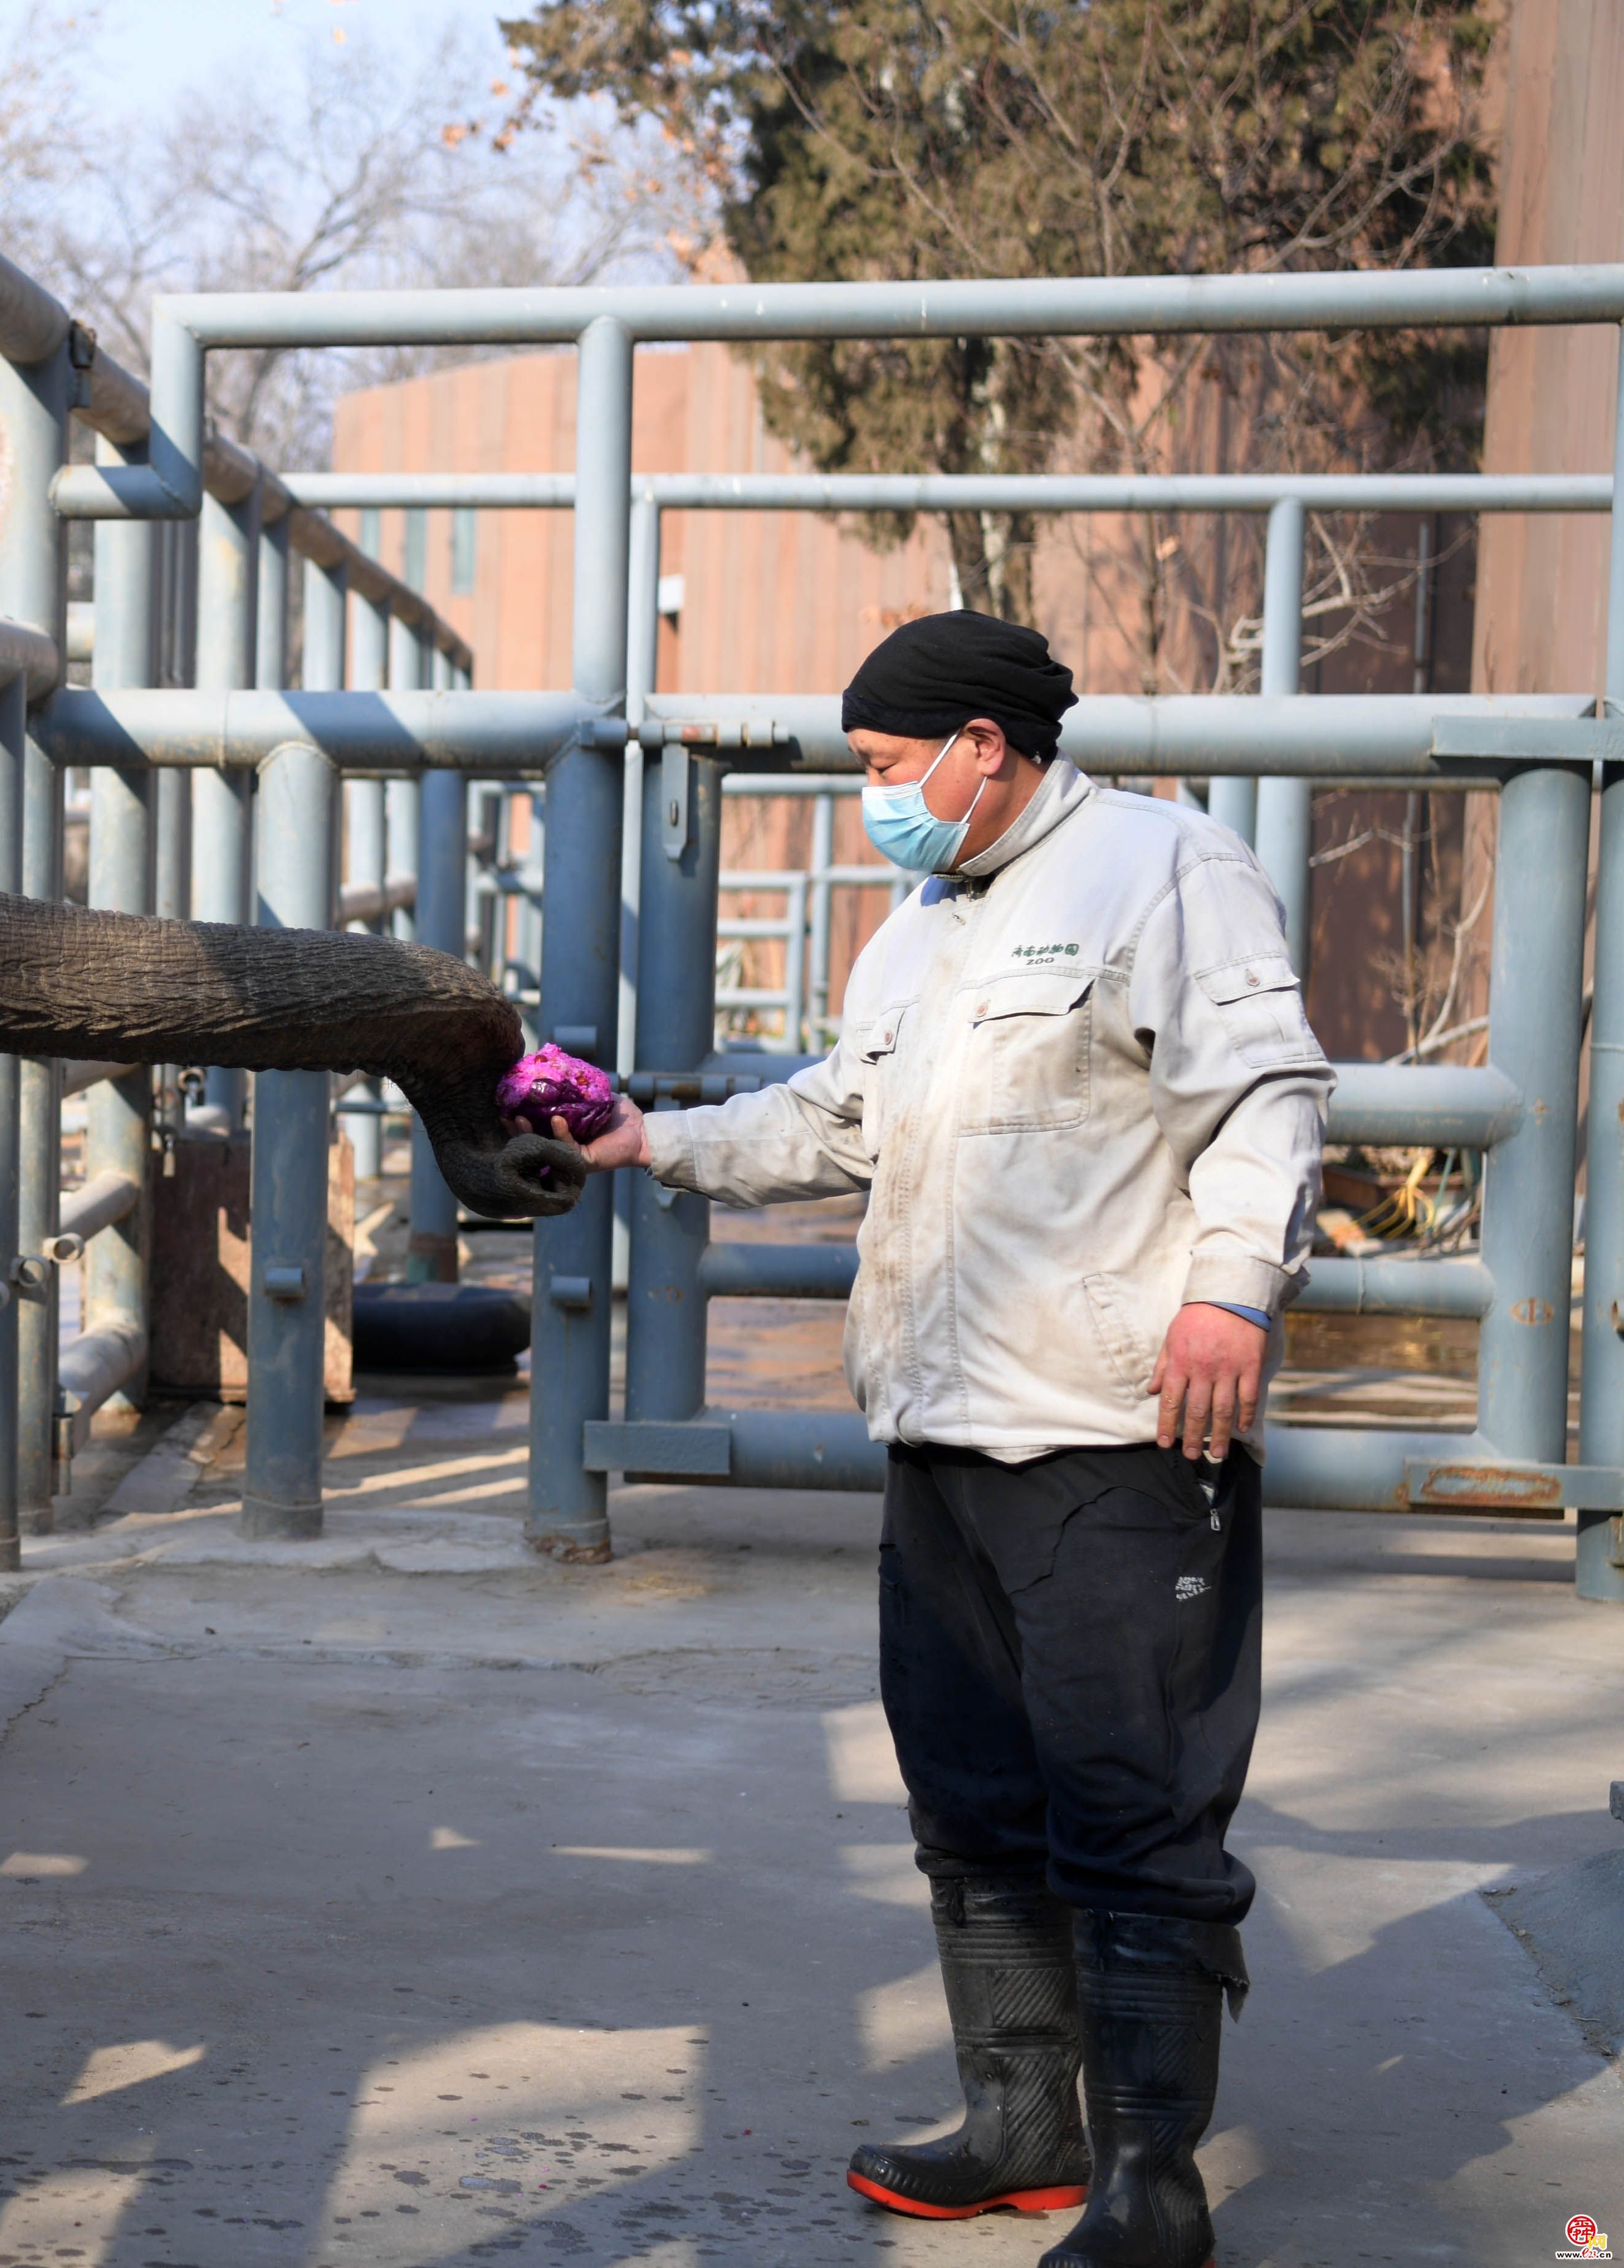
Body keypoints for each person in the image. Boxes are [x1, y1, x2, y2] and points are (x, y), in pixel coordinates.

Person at [542, 612, 1328, 2268]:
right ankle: (1023, 2126)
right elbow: (841, 1116)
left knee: (1132, 1805)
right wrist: (648, 1140)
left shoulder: (1163, 871)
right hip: (942, 1428)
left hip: (1114, 1427)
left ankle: (1152, 2186)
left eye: (892, 770)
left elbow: (1265, 1093)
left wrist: (1232, 1296)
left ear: (987, 743)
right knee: (968, 1798)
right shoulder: (921, 927)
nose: (874, 803)